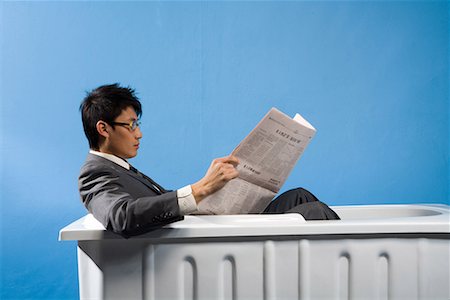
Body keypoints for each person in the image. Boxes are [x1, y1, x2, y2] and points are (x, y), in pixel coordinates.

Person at [78, 83, 339, 237]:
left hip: (204, 223)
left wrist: (217, 193)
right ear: (104, 129)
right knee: (314, 213)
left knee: (300, 196)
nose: (139, 133)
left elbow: (158, 203)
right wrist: (200, 189)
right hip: (204, 242)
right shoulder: (95, 174)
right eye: (131, 125)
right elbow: (120, 217)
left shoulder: (120, 168)